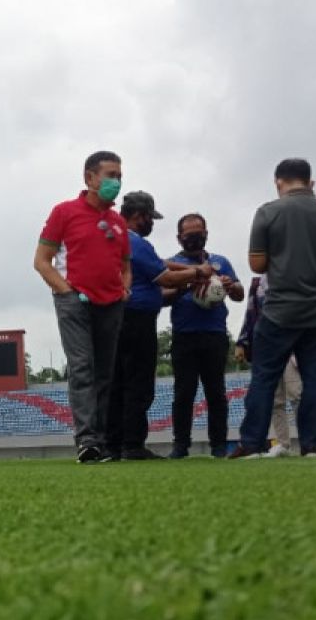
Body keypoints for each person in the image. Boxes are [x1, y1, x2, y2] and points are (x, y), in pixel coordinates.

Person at [230, 158, 316, 459]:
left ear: (279, 182)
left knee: (264, 377)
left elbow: (257, 263)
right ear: (309, 181)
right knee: (315, 377)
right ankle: (313, 446)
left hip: (280, 309)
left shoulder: (268, 212)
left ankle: (252, 443)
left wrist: (285, 258)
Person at [34, 151, 132, 463]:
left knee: (105, 373)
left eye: (119, 175)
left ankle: (100, 443)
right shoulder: (64, 212)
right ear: (90, 178)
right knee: (82, 368)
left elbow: (125, 264)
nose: (115, 181)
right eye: (109, 175)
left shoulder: (118, 222)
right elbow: (41, 261)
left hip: (111, 303)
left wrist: (125, 288)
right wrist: (67, 292)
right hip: (74, 302)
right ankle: (87, 441)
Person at [107, 192, 213, 460]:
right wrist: (197, 272)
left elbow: (162, 264)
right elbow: (165, 277)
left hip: (117, 317)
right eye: (149, 218)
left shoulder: (115, 237)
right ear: (139, 216)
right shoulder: (136, 242)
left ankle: (116, 442)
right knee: (138, 383)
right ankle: (132, 444)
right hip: (137, 320)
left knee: (118, 381)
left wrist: (188, 269)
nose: (151, 224)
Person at [166, 214, 244, 458]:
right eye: (189, 235)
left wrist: (230, 286)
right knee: (183, 392)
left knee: (216, 392)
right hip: (184, 336)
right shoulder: (171, 264)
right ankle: (181, 445)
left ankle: (219, 445)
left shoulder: (220, 261)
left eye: (199, 233)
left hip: (215, 335)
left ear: (207, 234)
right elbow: (163, 295)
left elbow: (240, 293)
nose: (194, 238)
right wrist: (188, 285)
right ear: (180, 238)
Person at [235, 274, 301, 456]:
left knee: (296, 394)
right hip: (265, 346)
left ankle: (308, 441)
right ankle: (282, 444)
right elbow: (250, 313)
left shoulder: (294, 275)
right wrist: (242, 341)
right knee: (275, 400)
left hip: (291, 343)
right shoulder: (257, 283)